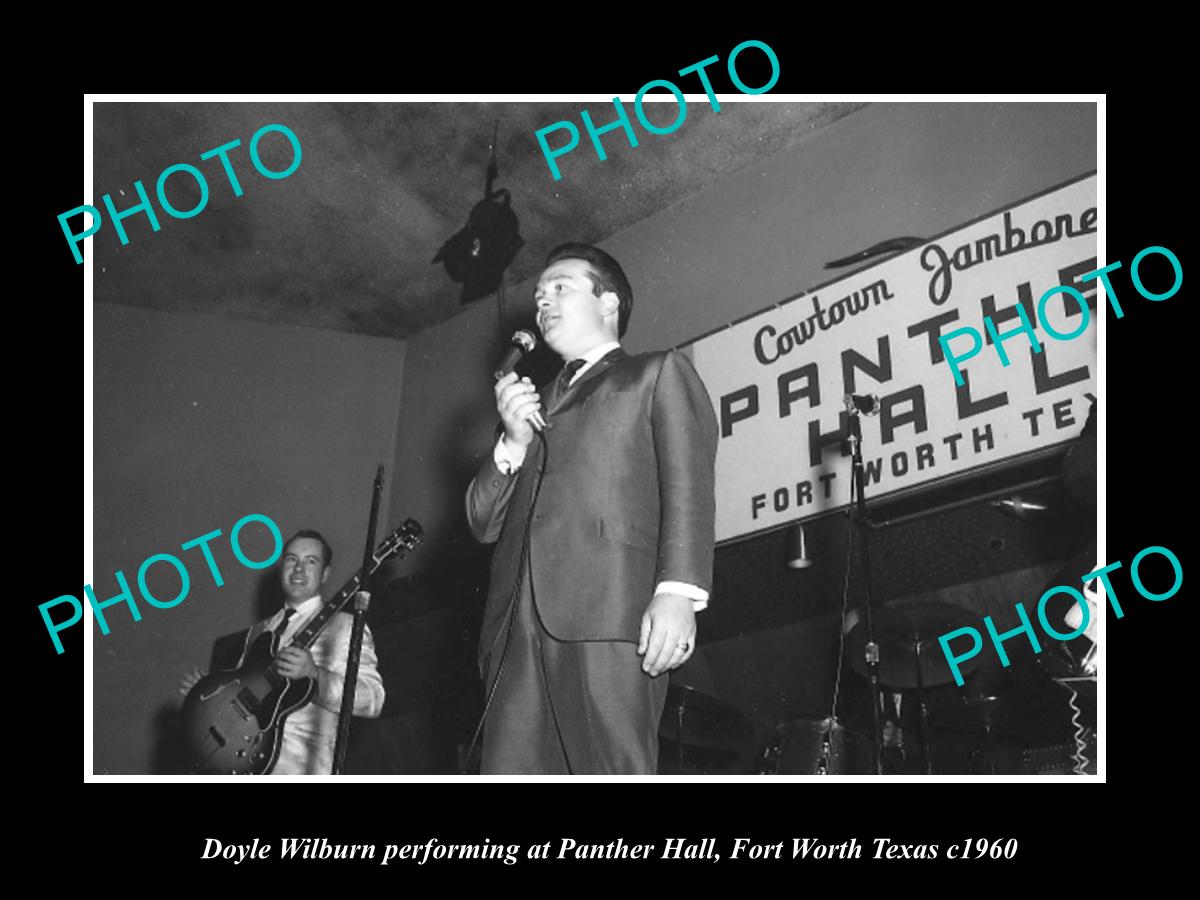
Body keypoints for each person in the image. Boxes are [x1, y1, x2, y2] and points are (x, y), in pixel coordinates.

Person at [465, 242, 718, 774]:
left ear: (609, 304)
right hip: (514, 630)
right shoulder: (527, 412)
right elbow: (481, 523)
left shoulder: (655, 374)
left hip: (608, 613)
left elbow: (688, 486)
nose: (543, 303)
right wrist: (511, 442)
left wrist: (678, 594)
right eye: (538, 296)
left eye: (561, 288)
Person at [177, 529, 385, 774]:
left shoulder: (345, 626)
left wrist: (316, 674)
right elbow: (244, 694)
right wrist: (209, 691)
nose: (299, 569)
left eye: (311, 561)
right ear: (281, 568)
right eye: (291, 559)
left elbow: (373, 699)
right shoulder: (259, 631)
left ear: (325, 574)